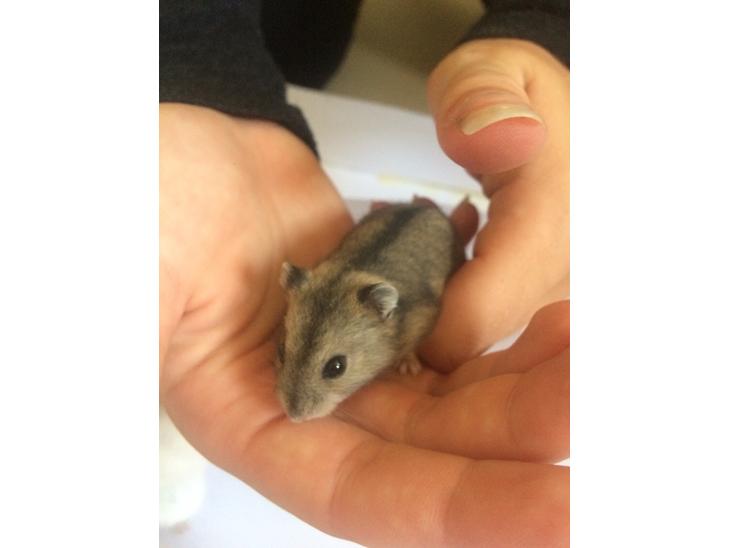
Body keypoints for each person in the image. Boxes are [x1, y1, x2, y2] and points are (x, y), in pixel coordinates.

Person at [160, 1, 569, 545]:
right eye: (284, 353)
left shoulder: (398, 314)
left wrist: (549, 28)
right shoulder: (310, 286)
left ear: (383, 311)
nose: (295, 402)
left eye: (334, 368)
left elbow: (422, 311)